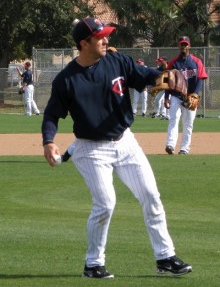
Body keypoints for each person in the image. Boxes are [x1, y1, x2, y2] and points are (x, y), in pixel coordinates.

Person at [42, 18, 192, 279]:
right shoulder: (67, 80)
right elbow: (52, 115)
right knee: (106, 203)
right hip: (91, 149)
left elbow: (146, 76)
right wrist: (49, 141)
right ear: (83, 43)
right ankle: (93, 264)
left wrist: (163, 77)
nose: (106, 40)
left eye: (106, 35)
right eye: (100, 37)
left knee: (151, 196)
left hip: (125, 141)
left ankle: (165, 257)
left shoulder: (117, 61)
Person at [164, 36, 208, 155]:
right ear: (179, 46)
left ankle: (184, 148)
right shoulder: (173, 63)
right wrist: (166, 97)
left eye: (186, 44)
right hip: (176, 96)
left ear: (189, 46)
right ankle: (170, 145)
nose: (184, 46)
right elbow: (168, 81)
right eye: (182, 44)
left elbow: (200, 78)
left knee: (188, 124)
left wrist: (195, 94)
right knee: (174, 119)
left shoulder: (196, 61)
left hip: (190, 97)